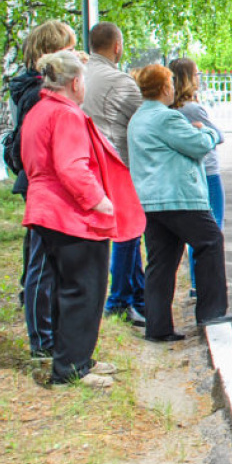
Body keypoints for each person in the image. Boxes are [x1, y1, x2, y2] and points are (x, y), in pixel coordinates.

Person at [22, 50, 144, 386]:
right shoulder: (67, 114)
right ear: (75, 83)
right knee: (84, 291)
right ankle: (71, 369)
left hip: (46, 211)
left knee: (64, 289)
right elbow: (71, 166)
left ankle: (73, 359)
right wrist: (100, 201)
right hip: (72, 215)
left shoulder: (40, 109)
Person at [128, 64, 232, 341]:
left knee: (161, 263)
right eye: (171, 84)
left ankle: (158, 327)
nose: (174, 89)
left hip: (151, 199)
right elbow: (199, 145)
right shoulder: (166, 118)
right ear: (164, 88)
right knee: (210, 242)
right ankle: (211, 311)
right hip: (178, 195)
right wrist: (206, 132)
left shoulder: (139, 117)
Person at [8, 20, 79, 358]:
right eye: (70, 49)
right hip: (45, 182)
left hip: (44, 180)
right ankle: (43, 341)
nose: (76, 55)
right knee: (43, 262)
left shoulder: (33, 87)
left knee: (48, 261)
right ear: (53, 52)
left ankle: (50, 336)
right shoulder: (37, 92)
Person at [81, 22, 147, 326]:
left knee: (125, 232)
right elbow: (145, 117)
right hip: (115, 162)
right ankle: (120, 299)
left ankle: (138, 295)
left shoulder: (82, 73)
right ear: (117, 46)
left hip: (88, 160)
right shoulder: (119, 81)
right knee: (127, 231)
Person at [168, 58, 225, 299]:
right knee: (212, 225)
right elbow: (218, 135)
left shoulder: (170, 108)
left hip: (185, 172)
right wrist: (207, 130)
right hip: (207, 170)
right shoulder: (192, 108)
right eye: (196, 74)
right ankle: (200, 283)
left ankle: (195, 281)